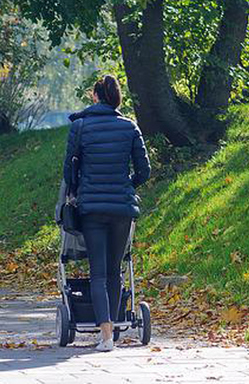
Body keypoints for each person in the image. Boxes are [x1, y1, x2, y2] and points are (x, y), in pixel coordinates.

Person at [63, 75, 151, 352]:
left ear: (95, 97)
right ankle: (112, 331)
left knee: (97, 273)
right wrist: (126, 187)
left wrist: (80, 191)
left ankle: (106, 337)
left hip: (92, 209)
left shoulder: (80, 127)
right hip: (122, 209)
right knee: (115, 271)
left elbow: (69, 171)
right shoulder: (130, 127)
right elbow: (144, 171)